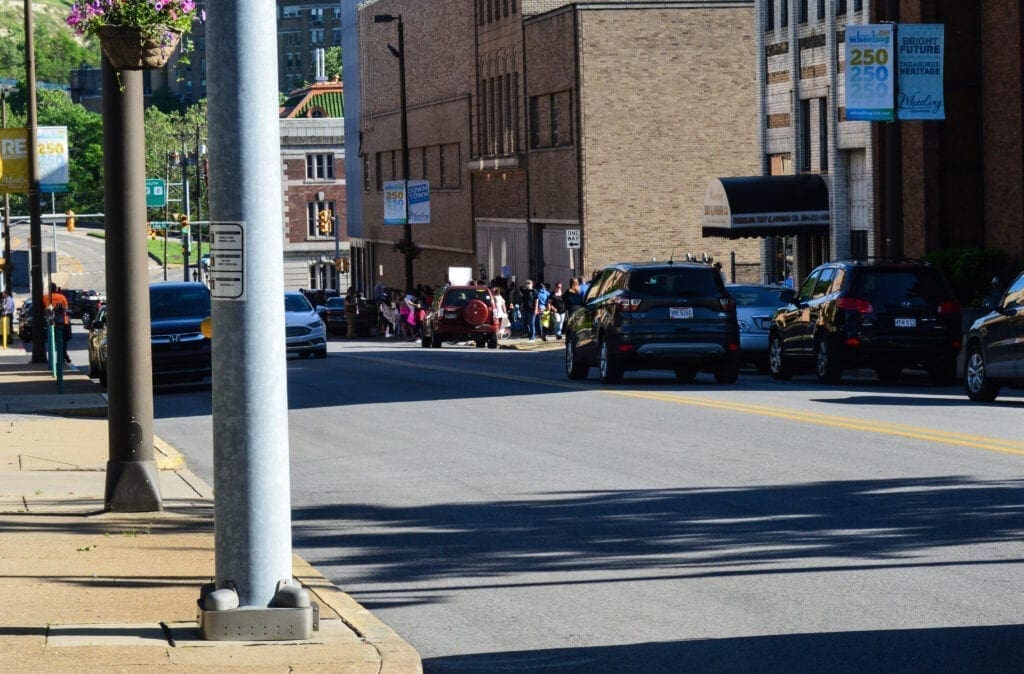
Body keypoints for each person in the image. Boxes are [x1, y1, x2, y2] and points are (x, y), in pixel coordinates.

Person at [41, 283, 71, 364]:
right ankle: (63, 356)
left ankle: (58, 359)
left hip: (51, 322)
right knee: (63, 341)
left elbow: (43, 307)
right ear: (56, 289)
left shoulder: (45, 297)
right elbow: (66, 308)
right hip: (63, 321)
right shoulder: (61, 297)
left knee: (53, 341)